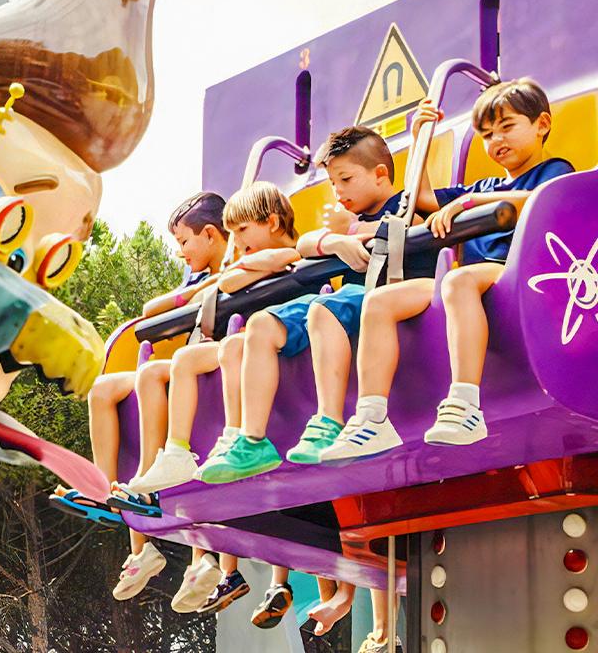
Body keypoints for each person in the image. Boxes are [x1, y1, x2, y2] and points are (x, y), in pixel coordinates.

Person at [320, 78, 574, 459]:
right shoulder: (484, 184)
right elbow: (422, 198)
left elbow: (542, 199)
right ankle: (372, 418)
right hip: (477, 276)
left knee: (457, 280)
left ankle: (466, 403)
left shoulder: (553, 170)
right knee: (380, 303)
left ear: (541, 125)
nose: (496, 140)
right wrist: (421, 134)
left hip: (522, 270)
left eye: (507, 127)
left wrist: (471, 203)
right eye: (487, 134)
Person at [198, 126, 436, 482]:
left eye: (345, 180)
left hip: (385, 293)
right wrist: (334, 241)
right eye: (333, 183)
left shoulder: (403, 204)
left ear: (380, 175)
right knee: (261, 324)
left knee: (323, 309)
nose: (338, 192)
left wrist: (351, 231)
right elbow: (306, 243)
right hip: (348, 297)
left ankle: (328, 420)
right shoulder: (345, 221)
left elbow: (414, 223)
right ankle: (251, 440)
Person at [123, 182, 301, 612]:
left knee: (199, 357)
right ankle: (164, 464)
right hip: (247, 345)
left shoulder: (293, 255)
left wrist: (283, 256)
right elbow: (230, 280)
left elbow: (239, 278)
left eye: (240, 233)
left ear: (271, 224)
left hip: (281, 345)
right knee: (169, 367)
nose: (236, 245)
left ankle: (218, 559)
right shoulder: (248, 262)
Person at [69, 193, 228, 601]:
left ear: (210, 235)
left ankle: (197, 551)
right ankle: (105, 489)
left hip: (216, 366)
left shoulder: (237, 261)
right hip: (182, 367)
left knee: (160, 381)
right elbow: (152, 307)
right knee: (104, 389)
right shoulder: (198, 278)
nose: (179, 252)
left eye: (184, 242)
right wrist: (196, 292)